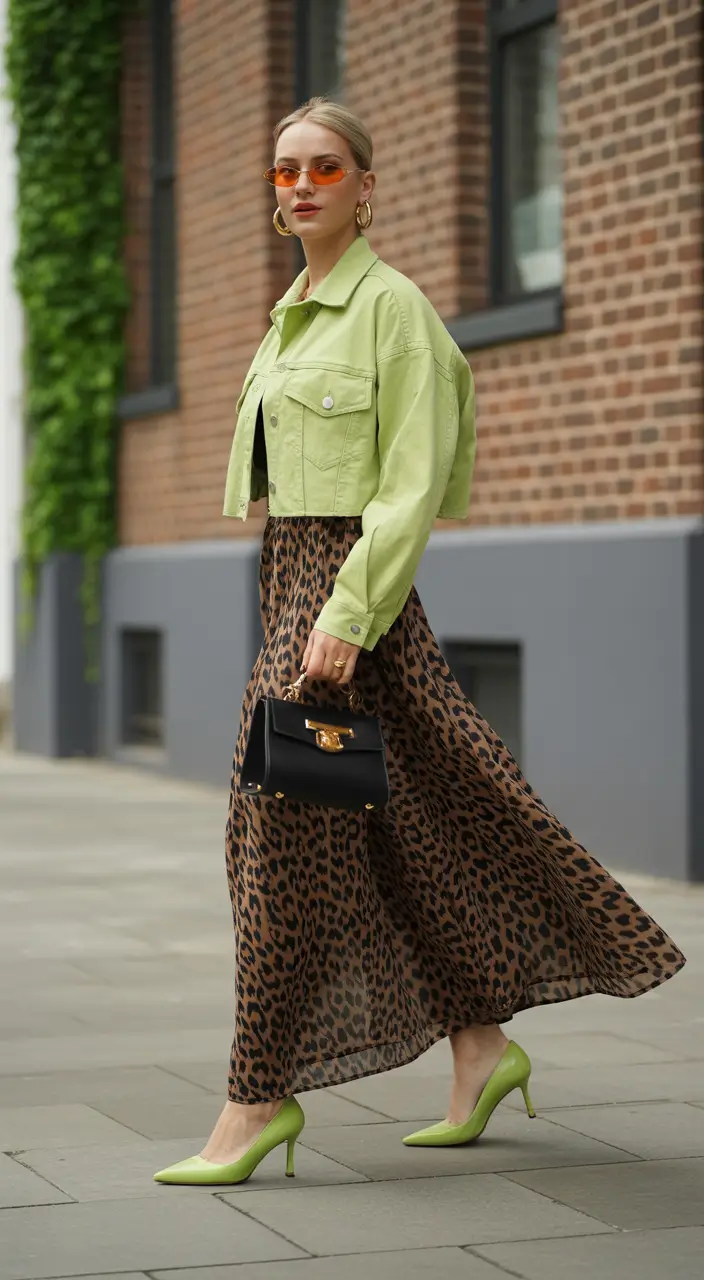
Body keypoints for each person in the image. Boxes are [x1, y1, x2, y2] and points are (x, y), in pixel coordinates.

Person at [154, 98, 686, 1186]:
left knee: (276, 837)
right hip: (289, 576)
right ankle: (481, 1045)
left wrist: (343, 621)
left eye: (324, 168)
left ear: (367, 186)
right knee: (416, 819)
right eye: (284, 170)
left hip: (344, 597)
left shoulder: (391, 311)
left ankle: (257, 1096)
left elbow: (407, 487)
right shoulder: (292, 308)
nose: (299, 185)